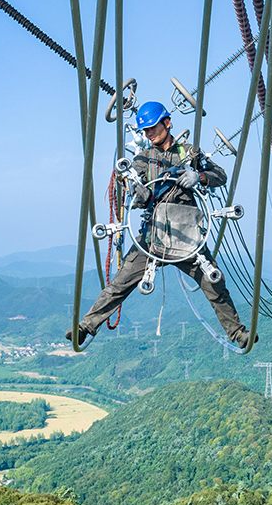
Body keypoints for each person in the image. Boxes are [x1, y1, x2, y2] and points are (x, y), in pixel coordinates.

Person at [66, 101, 256, 349]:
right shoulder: (144, 158)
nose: (149, 134)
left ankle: (238, 332)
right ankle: (86, 327)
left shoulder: (189, 153)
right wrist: (137, 192)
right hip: (153, 237)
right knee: (120, 284)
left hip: (187, 236)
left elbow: (220, 176)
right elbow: (132, 179)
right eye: (145, 131)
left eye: (153, 128)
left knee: (214, 284)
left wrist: (198, 176)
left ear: (167, 123)